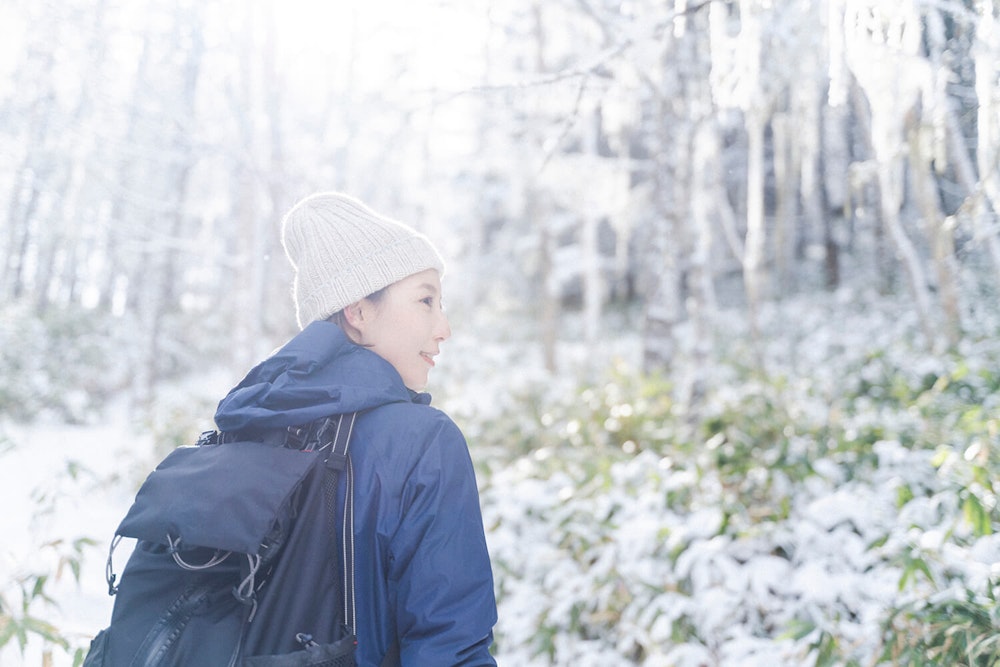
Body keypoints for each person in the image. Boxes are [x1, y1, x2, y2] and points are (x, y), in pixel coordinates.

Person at [215, 192, 498, 665]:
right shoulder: (422, 441)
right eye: (426, 300)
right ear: (358, 312)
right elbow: (449, 643)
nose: (444, 326)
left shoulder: (250, 425)